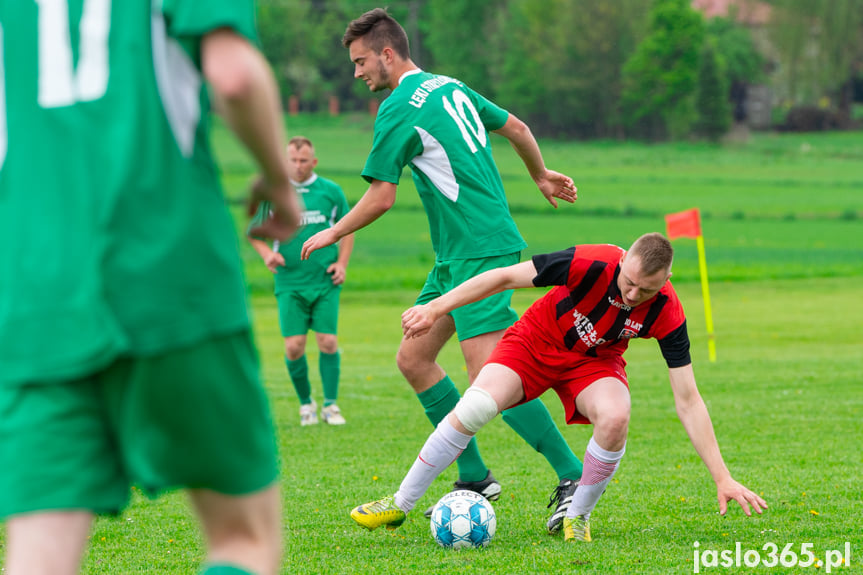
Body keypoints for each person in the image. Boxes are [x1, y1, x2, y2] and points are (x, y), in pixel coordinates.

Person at [0, 3, 300, 575]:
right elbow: (234, 77)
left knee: (37, 557)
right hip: (171, 276)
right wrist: (279, 187)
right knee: (243, 539)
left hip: (38, 296)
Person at [301, 7, 584, 531]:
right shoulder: (448, 86)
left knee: (491, 375)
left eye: (361, 61)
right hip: (458, 254)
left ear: (388, 53)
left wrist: (334, 232)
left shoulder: (396, 110)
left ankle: (573, 475)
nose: (357, 72)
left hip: (480, 250)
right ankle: (474, 476)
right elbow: (517, 127)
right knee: (414, 358)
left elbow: (382, 197)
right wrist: (540, 175)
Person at [350, 233, 768, 543]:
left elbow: (688, 399)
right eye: (630, 282)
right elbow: (502, 277)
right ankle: (398, 504)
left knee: (616, 416)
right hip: (534, 341)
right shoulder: (591, 263)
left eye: (647, 289)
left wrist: (722, 477)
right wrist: (435, 307)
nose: (633, 294)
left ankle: (577, 518)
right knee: (477, 405)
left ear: (667, 279)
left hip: (593, 362)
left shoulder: (668, 312)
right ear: (623, 261)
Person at [249, 136, 354, 426]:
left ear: (314, 161)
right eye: (292, 160)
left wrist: (341, 263)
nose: (298, 166)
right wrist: (267, 255)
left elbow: (348, 229)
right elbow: (255, 234)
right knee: (294, 346)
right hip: (289, 282)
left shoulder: (331, 191)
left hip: (324, 280)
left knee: (328, 341)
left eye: (303, 160)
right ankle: (306, 404)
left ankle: (331, 406)